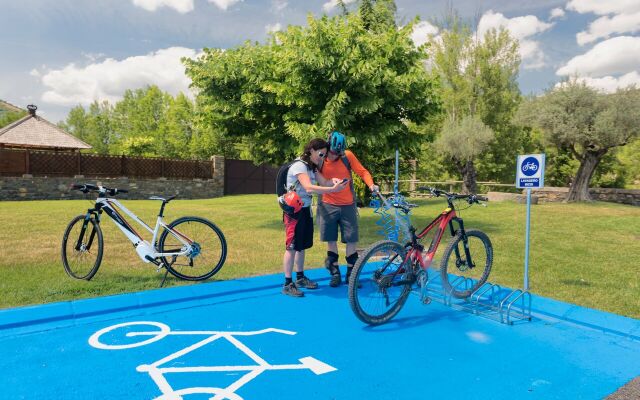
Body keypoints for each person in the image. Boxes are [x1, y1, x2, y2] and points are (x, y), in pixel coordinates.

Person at [281, 138, 348, 297]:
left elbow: (324, 181)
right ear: (311, 150)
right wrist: (332, 190)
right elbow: (309, 187)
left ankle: (300, 277)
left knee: (301, 246)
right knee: (291, 247)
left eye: (324, 155)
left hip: (304, 210)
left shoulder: (312, 168)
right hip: (293, 212)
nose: (322, 158)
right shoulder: (299, 165)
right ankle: (287, 283)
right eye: (320, 154)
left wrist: (334, 181)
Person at [318, 131, 379, 287]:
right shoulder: (320, 158)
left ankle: (351, 275)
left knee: (351, 240)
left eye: (337, 153)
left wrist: (371, 184)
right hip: (327, 204)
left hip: (348, 205)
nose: (334, 155)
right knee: (331, 240)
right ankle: (335, 273)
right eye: (332, 152)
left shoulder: (347, 156)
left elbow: (362, 172)